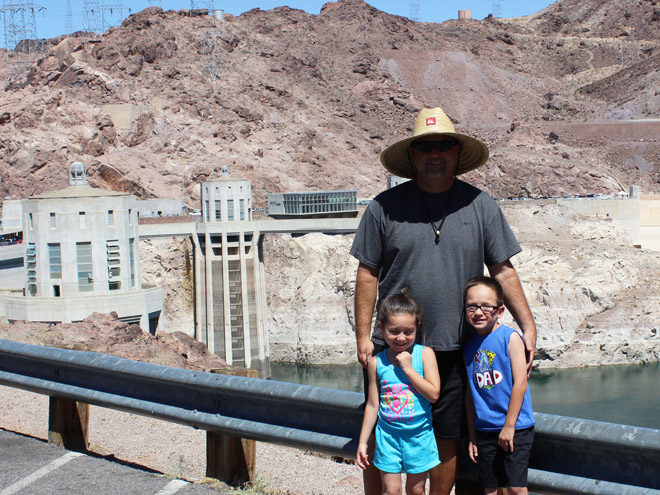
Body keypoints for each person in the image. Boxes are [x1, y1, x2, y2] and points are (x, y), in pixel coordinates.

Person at [350, 107, 537, 495]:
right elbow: (367, 273)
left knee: (446, 437)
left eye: (444, 145)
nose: (435, 153)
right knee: (384, 429)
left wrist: (528, 324)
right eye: (425, 146)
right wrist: (363, 338)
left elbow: (502, 268)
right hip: (396, 345)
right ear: (413, 156)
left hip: (454, 347)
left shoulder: (480, 205)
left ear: (456, 153)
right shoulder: (383, 208)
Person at [356, 289, 441, 495]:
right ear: (382, 328)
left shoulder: (425, 355)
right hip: (388, 437)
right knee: (391, 490)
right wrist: (363, 441)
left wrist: (409, 370)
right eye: (394, 331)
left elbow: (434, 394)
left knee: (416, 490)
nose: (401, 338)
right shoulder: (377, 362)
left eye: (408, 331)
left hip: (419, 436)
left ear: (417, 327)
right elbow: (373, 405)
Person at [462, 276, 534, 495]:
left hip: (516, 428)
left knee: (515, 487)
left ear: (500, 311)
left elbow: (520, 383)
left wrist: (509, 426)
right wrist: (473, 436)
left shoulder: (510, 338)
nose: (478, 312)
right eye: (471, 306)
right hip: (485, 430)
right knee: (490, 488)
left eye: (486, 307)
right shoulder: (469, 346)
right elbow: (470, 394)